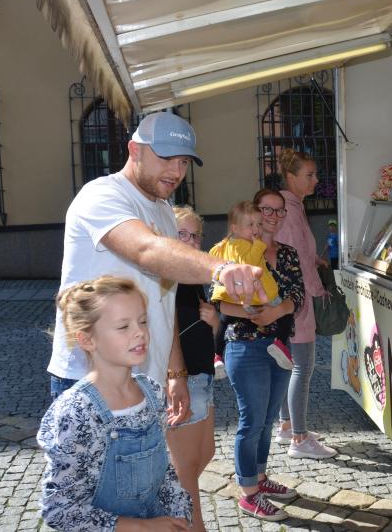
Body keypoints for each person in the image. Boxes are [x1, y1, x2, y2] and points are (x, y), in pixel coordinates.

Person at [46, 111, 264, 429]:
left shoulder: (163, 211)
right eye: (166, 157)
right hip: (91, 384)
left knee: (144, 479)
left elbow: (164, 302)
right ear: (135, 150)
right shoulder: (101, 195)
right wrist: (222, 268)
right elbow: (146, 250)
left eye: (184, 162)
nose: (176, 171)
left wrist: (175, 373)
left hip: (147, 384)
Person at [38, 276, 192, 531]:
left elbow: (163, 474)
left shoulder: (152, 392)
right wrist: (143, 528)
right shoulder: (76, 413)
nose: (140, 332)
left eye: (142, 321)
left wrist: (180, 516)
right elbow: (60, 510)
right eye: (123, 326)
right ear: (87, 339)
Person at [216, 189, 305, 521]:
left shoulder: (288, 254)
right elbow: (218, 301)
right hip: (244, 345)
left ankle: (261, 478)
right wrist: (254, 310)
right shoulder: (231, 251)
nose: (273, 216)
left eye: (280, 211)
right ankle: (248, 493)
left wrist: (278, 311)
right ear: (253, 213)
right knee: (251, 422)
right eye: (266, 209)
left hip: (279, 347)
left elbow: (299, 294)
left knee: (268, 421)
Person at [274, 149, 338, 459]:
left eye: (315, 174)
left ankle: (288, 425)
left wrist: (316, 260)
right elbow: (296, 259)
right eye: (309, 175)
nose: (315, 180)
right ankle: (299, 439)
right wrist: (317, 290)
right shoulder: (290, 208)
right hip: (297, 301)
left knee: (291, 365)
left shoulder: (292, 207)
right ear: (291, 178)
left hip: (291, 299)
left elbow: (298, 251)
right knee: (302, 367)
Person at [168, 206, 219, 532]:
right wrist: (175, 378)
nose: (189, 242)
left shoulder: (193, 278)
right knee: (185, 469)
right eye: (181, 234)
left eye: (194, 235)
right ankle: (192, 526)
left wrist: (215, 324)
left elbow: (202, 328)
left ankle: (170, 514)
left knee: (206, 453)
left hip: (203, 375)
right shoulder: (165, 279)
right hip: (183, 379)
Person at [209, 201, 292, 370]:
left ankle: (217, 355)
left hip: (238, 297)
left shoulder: (227, 244)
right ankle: (280, 344)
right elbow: (248, 264)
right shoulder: (242, 245)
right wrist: (259, 246)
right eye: (251, 225)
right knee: (285, 317)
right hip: (253, 295)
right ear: (235, 228)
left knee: (224, 321)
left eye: (259, 224)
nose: (256, 229)